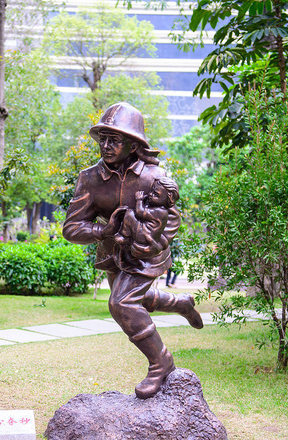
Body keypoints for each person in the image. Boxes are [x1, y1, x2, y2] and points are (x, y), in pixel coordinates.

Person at [62, 102, 203, 399]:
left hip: (146, 253)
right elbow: (72, 228)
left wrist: (153, 243)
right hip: (113, 254)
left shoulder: (153, 177)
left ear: (132, 143)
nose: (107, 146)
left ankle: (160, 363)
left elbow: (172, 218)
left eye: (115, 140)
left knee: (122, 304)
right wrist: (102, 230)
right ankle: (180, 303)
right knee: (138, 301)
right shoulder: (89, 178)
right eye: (103, 139)